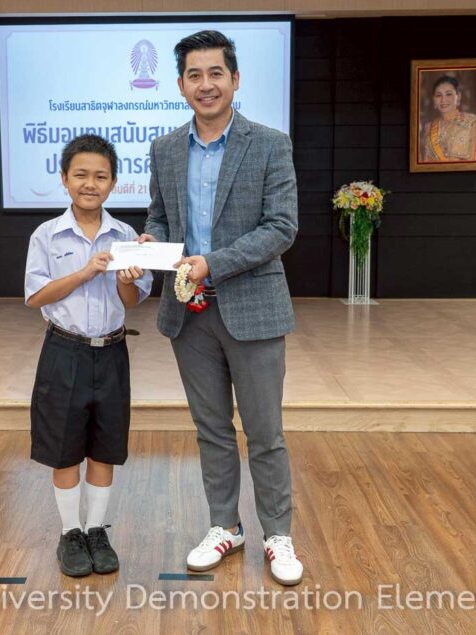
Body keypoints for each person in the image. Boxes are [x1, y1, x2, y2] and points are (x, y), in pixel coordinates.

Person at [139, 30, 304, 586]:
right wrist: (152, 242)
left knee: (265, 432)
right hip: (188, 314)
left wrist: (212, 263)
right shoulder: (165, 149)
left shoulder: (270, 144)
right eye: (194, 75)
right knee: (211, 429)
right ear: (180, 84)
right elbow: (160, 217)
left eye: (215, 73)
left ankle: (277, 534)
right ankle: (225, 526)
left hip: (253, 308)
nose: (205, 84)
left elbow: (281, 227)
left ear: (235, 79)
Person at [24, 134, 152, 577]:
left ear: (113, 183)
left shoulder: (127, 237)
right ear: (64, 179)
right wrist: (83, 272)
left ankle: (96, 530)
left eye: (100, 176)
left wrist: (124, 278)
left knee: (104, 447)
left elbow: (132, 301)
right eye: (81, 174)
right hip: (64, 351)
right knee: (64, 449)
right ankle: (70, 533)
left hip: (112, 352)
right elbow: (35, 296)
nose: (90, 184)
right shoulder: (46, 235)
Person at [420, 75, 476, 162]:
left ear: (458, 96)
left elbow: (475, 161)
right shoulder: (429, 127)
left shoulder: (472, 122)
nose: (443, 100)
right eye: (438, 95)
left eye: (448, 94)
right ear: (434, 99)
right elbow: (426, 162)